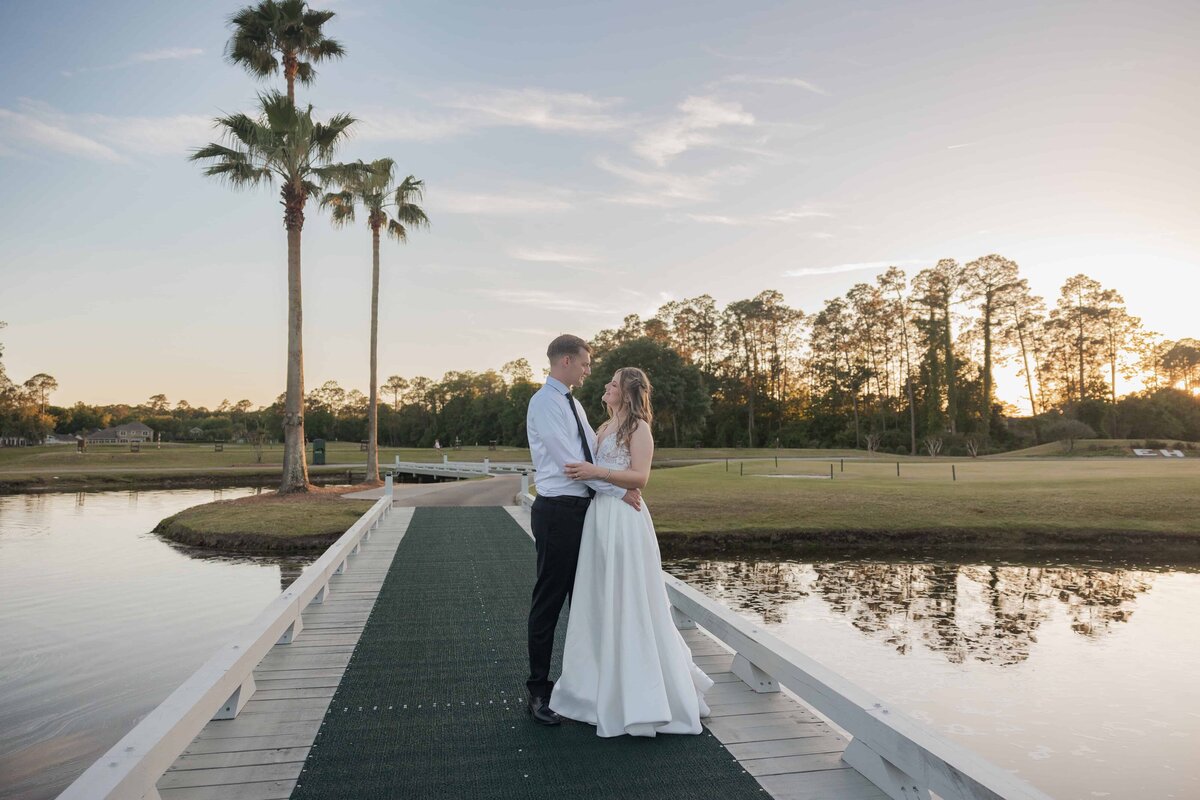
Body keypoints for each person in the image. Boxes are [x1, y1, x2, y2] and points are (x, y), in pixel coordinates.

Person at [551, 367, 711, 736]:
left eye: (614, 382)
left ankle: (643, 695)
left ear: (628, 391)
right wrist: (599, 476)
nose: (606, 386)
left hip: (625, 519)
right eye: (608, 381)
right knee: (601, 598)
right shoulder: (604, 428)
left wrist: (598, 472)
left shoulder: (638, 428)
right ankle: (595, 688)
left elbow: (641, 478)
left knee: (628, 598)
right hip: (600, 518)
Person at [525, 335, 642, 726]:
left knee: (586, 600)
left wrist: (613, 491)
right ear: (566, 361)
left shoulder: (573, 403)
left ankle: (584, 685)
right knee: (550, 599)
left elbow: (595, 454)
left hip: (586, 512)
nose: (590, 371)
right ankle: (538, 691)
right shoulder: (544, 403)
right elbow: (572, 464)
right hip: (558, 511)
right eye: (586, 363)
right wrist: (619, 490)